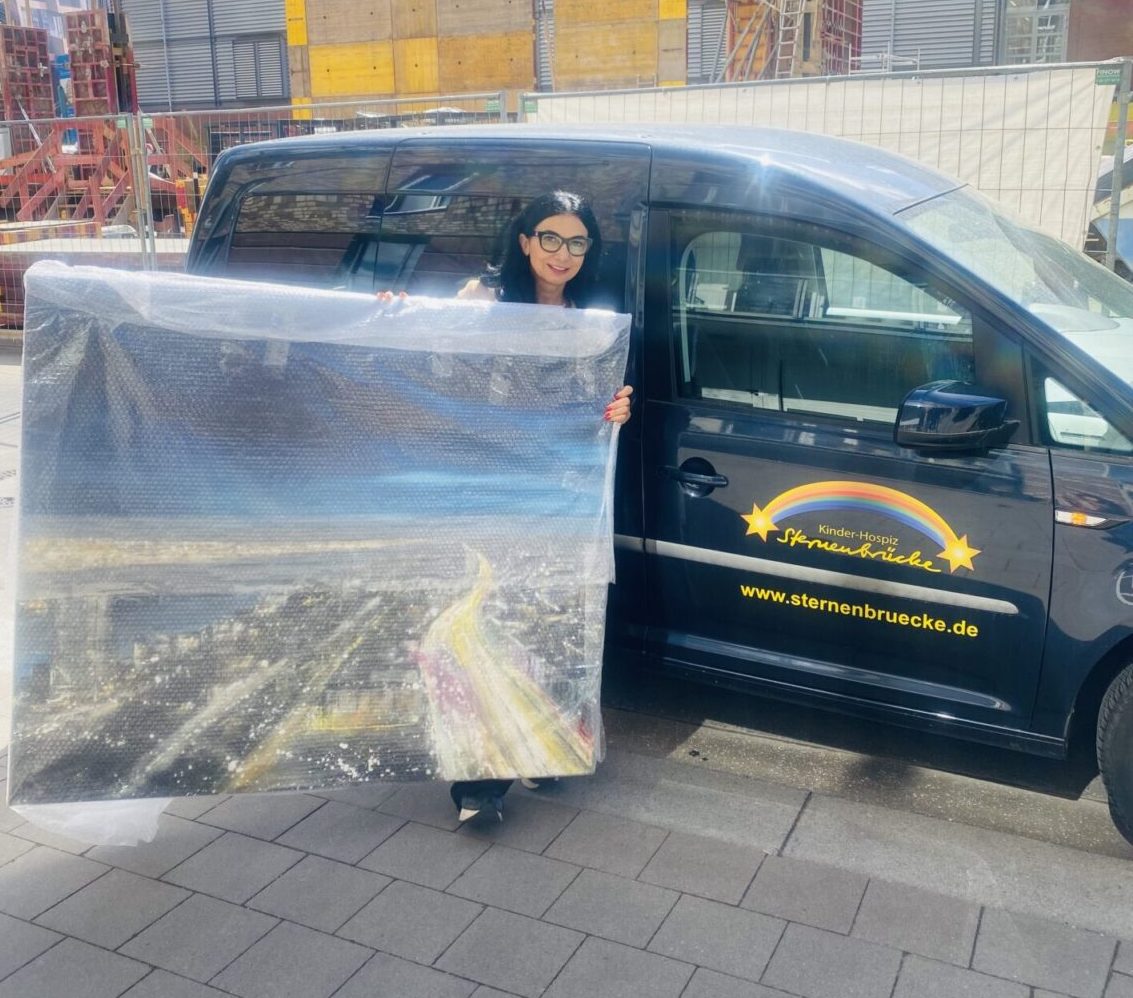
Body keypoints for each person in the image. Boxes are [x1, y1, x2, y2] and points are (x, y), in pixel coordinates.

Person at [448, 190, 632, 822]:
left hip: (559, 500)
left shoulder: (590, 318)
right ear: (525, 241)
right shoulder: (482, 301)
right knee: (490, 629)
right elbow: (427, 356)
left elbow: (592, 406)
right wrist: (393, 316)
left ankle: (535, 748)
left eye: (577, 242)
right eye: (550, 238)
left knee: (545, 628)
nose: (563, 253)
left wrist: (618, 407)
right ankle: (478, 784)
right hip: (491, 496)